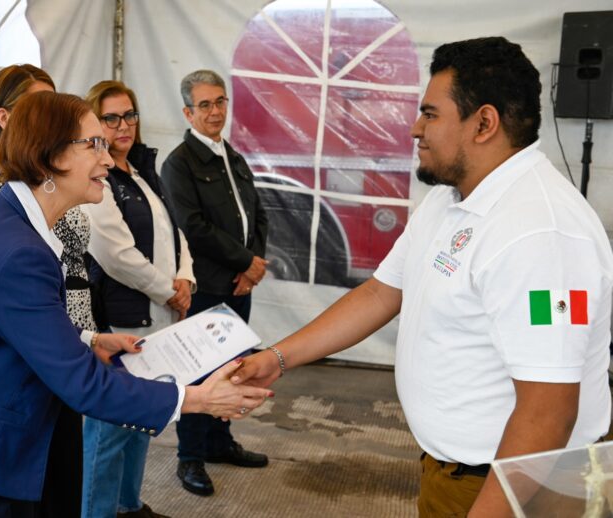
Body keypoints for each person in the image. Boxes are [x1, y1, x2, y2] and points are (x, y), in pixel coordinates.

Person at [233, 36, 613, 517]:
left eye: (431, 114)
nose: (415, 129)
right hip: (456, 474)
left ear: (484, 123)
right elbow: (380, 293)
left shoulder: (541, 233)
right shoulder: (450, 200)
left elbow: (549, 412)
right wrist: (279, 358)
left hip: (523, 491)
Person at [0, 91, 272, 517]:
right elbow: (82, 385)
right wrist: (196, 399)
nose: (107, 160)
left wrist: (88, 341)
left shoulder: (18, 224)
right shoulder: (19, 249)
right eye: (94, 144)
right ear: (48, 156)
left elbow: (12, 323)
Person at [0, 63, 93, 517]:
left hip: (68, 357)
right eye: (39, 108)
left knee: (62, 487)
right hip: (21, 373)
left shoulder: (47, 181)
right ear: (5, 119)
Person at [80, 80, 194, 518]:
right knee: (109, 430)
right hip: (122, 321)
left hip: (159, 315)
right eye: (111, 118)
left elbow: (175, 231)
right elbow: (115, 255)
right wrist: (170, 290)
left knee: (139, 422)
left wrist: (185, 279)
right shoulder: (100, 178)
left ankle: (128, 506)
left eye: (130, 115)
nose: (123, 125)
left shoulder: (142, 172)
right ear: (94, 124)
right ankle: (97, 512)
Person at [160, 69, 270, 497]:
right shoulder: (178, 164)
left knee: (234, 368)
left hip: (239, 284)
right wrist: (244, 262)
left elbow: (257, 213)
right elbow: (193, 227)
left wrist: (252, 266)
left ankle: (220, 443)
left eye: (220, 101)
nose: (214, 111)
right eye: (204, 104)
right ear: (188, 112)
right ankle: (190, 457)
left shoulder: (232, 156)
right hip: (207, 285)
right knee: (200, 374)